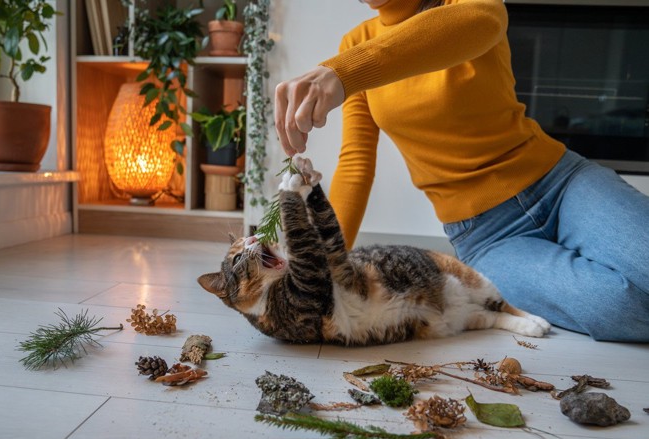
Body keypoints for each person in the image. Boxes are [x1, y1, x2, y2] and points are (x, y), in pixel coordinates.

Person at [273, 0, 649, 342]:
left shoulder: (463, 5)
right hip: (487, 236)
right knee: (618, 308)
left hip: (562, 184)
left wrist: (342, 74)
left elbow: (483, 21)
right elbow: (356, 164)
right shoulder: (356, 42)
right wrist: (329, 271)